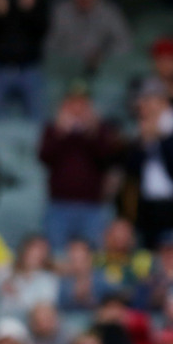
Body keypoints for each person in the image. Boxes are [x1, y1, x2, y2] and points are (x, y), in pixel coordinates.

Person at [38, 81, 124, 251]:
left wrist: (92, 131)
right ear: (65, 104)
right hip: (59, 205)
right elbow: (44, 157)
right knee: (58, 252)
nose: (77, 108)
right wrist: (60, 132)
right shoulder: (53, 128)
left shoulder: (100, 129)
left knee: (94, 254)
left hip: (92, 206)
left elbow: (107, 156)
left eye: (82, 103)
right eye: (73, 102)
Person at [124, 78, 173, 248]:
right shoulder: (142, 126)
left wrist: (160, 137)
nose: (142, 106)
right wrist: (143, 142)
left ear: (161, 101)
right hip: (149, 205)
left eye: (147, 101)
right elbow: (131, 168)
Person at [44, 0, 132, 72]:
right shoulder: (61, 10)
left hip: (102, 63)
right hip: (68, 63)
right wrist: (78, 57)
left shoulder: (109, 9)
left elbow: (125, 41)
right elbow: (49, 45)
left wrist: (103, 53)